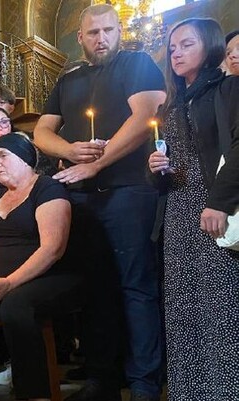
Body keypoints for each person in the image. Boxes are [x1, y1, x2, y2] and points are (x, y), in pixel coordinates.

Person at [33, 4, 166, 401]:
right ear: (80, 37)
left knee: (135, 286)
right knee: (93, 289)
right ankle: (102, 378)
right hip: (80, 197)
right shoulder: (68, 78)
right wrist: (71, 151)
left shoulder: (138, 63)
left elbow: (145, 116)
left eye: (109, 30)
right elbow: (42, 131)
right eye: (93, 32)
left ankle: (144, 383)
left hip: (128, 191)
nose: (101, 38)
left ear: (119, 31)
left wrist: (97, 164)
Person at [0, 133, 82, 401]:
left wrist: (9, 283)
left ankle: (35, 394)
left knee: (16, 305)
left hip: (47, 277)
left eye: (3, 156)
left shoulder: (47, 188)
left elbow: (52, 249)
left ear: (24, 158)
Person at [147, 18, 239, 400]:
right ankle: (188, 392)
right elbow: (166, 166)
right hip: (177, 213)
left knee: (219, 308)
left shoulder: (229, 88)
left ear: (210, 46)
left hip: (213, 208)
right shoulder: (169, 104)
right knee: (182, 310)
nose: (176, 53)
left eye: (187, 44)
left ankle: (223, 392)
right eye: (172, 48)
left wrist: (219, 202)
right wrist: (155, 167)